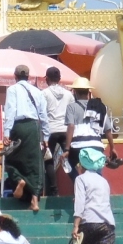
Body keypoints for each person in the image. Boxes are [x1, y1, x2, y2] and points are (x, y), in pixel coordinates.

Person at [2, 66, 49, 212]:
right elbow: (43, 115)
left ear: (15, 76)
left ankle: (19, 180)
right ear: (28, 76)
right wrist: (46, 135)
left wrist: (6, 132)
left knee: (11, 159)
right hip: (34, 127)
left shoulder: (12, 90)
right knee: (35, 164)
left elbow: (10, 110)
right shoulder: (37, 91)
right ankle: (34, 201)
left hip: (18, 127)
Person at [64, 77, 120, 168]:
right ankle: (104, 161)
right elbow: (108, 130)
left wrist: (67, 149)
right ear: (88, 92)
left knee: (71, 167)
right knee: (95, 169)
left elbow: (71, 126)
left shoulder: (71, 107)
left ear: (75, 92)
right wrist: (112, 148)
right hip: (96, 145)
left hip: (78, 145)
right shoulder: (100, 107)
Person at [42, 66, 73, 196]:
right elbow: (72, 114)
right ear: (59, 79)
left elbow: (42, 114)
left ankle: (54, 190)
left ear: (47, 79)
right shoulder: (69, 94)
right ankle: (76, 184)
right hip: (65, 130)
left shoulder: (44, 93)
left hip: (50, 130)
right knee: (70, 159)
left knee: (48, 160)